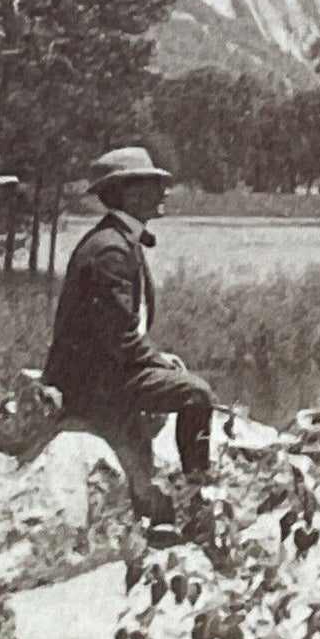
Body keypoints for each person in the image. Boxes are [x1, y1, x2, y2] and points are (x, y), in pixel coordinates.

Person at [43, 146, 213, 520]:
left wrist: (157, 359)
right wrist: (158, 360)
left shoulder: (115, 240)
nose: (164, 192)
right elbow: (120, 337)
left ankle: (170, 511)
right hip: (96, 382)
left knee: (144, 487)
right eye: (154, 185)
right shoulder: (110, 250)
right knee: (197, 394)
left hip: (107, 373)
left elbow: (121, 332)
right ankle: (195, 495)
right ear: (128, 193)